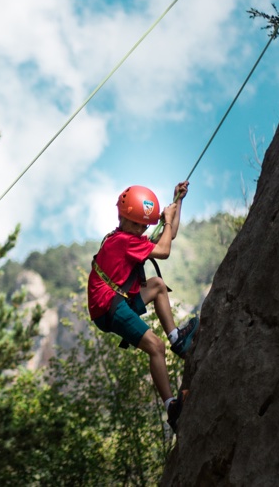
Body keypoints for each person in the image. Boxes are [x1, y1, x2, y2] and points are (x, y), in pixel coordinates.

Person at [86, 181, 198, 431]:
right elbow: (165, 249)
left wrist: (177, 202)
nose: (140, 229)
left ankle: (176, 338)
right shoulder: (125, 241)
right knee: (155, 347)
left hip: (113, 300)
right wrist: (166, 219)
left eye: (143, 225)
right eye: (136, 224)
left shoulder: (128, 237)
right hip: (108, 305)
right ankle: (172, 408)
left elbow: (169, 236)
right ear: (123, 218)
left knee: (157, 284)